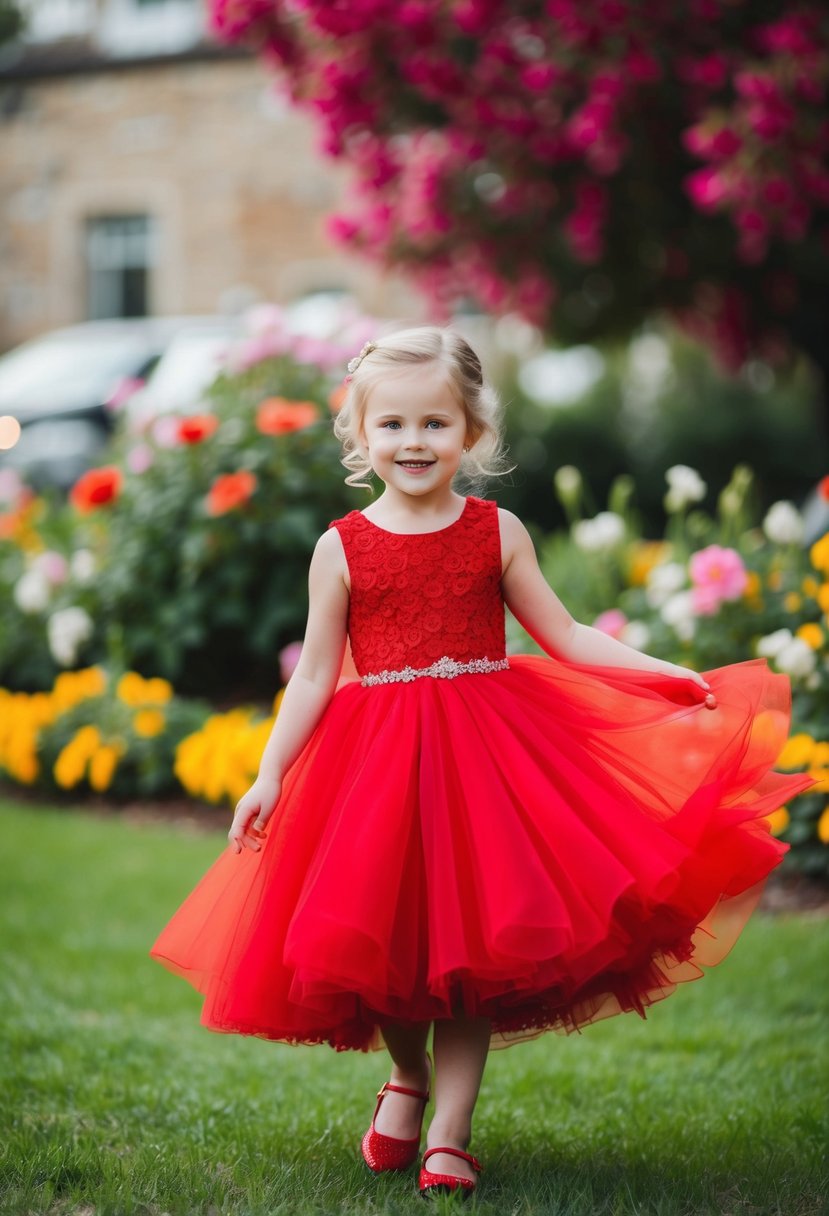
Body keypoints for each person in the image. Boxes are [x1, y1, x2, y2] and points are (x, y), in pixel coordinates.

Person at [151, 326, 810, 1198]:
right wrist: (269, 772)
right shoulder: (340, 547)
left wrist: (663, 676)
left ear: (471, 434)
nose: (413, 442)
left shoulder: (495, 533)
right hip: (375, 767)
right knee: (382, 946)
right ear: (359, 435)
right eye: (391, 425)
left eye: (434, 423)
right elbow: (314, 672)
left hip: (487, 763)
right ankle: (407, 1077)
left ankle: (451, 1132)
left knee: (469, 960)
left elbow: (566, 634)